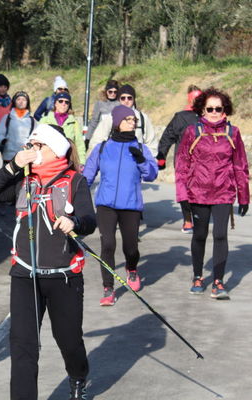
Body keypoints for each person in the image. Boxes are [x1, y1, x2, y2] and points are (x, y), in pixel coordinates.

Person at [0, 124, 96, 400]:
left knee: (68, 340)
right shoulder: (23, 181)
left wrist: (74, 221)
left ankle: (78, 375)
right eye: (29, 146)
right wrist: (12, 167)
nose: (29, 151)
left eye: (36, 146)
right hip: (24, 273)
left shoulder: (75, 181)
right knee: (22, 346)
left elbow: (90, 220)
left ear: (54, 149)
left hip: (63, 276)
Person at [175, 87, 249, 299]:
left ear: (225, 109)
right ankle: (198, 276)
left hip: (223, 193)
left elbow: (240, 166)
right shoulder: (192, 132)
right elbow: (182, 165)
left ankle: (218, 281)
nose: (215, 112)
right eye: (210, 108)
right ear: (202, 110)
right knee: (200, 235)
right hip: (197, 193)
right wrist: (183, 196)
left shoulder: (233, 133)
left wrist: (244, 196)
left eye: (219, 108)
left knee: (220, 235)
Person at [83, 105, 158, 306]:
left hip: (131, 205)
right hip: (105, 204)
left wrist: (141, 160)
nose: (132, 123)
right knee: (107, 244)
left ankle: (131, 269)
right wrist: (77, 199)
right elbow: (87, 176)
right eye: (127, 119)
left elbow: (151, 175)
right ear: (117, 122)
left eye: (134, 120)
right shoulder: (103, 147)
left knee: (131, 248)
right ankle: (108, 288)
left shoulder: (141, 148)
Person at [156, 85, 202, 233]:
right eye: (195, 98)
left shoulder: (208, 117)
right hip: (182, 161)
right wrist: (161, 156)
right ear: (190, 99)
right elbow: (167, 137)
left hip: (203, 162)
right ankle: (188, 220)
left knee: (199, 192)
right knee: (183, 191)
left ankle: (198, 217)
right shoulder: (180, 117)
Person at [86, 84, 157, 157]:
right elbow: (96, 141)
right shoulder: (110, 117)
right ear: (119, 99)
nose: (126, 101)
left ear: (134, 99)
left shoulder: (143, 118)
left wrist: (144, 159)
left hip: (136, 162)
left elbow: (152, 144)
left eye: (129, 98)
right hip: (114, 161)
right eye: (123, 98)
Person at [39, 91, 86, 164]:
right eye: (60, 101)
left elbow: (80, 145)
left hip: (68, 162)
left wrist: (82, 163)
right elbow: (36, 143)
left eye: (66, 102)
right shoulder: (45, 121)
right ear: (55, 103)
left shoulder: (74, 122)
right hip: (48, 162)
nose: (63, 104)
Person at [0, 91, 36, 163]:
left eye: (24, 100)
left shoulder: (32, 121)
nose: (21, 102)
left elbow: (36, 137)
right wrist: (3, 140)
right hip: (9, 156)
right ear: (14, 102)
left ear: (27, 103)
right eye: (18, 99)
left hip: (25, 157)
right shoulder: (7, 118)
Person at [86, 79, 120, 149]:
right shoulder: (99, 103)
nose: (113, 94)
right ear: (106, 91)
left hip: (115, 137)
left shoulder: (119, 104)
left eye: (115, 92)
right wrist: (87, 138)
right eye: (110, 92)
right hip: (100, 137)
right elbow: (94, 121)